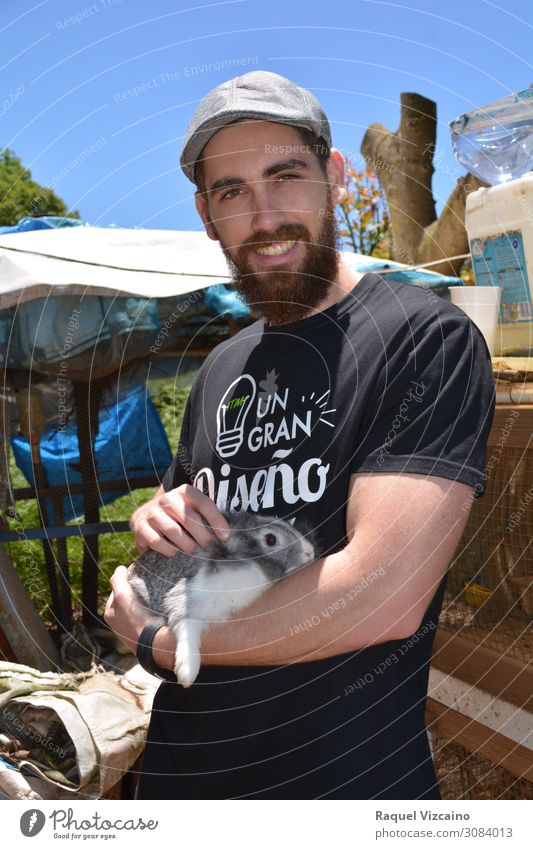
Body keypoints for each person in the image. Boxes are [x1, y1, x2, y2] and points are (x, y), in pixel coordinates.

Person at [104, 70, 495, 799]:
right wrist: (151, 526)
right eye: (231, 192)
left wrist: (157, 640)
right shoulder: (223, 366)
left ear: (335, 176)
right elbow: (171, 561)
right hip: (182, 780)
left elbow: (379, 595)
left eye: (285, 175)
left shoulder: (424, 340)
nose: (264, 214)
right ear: (205, 212)